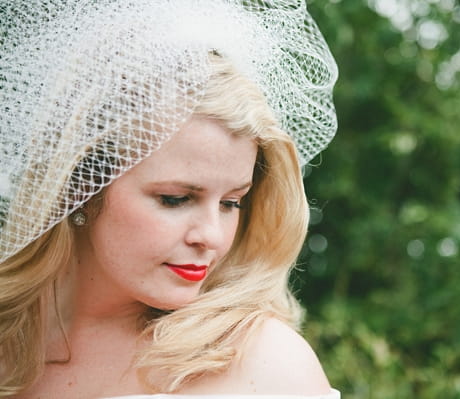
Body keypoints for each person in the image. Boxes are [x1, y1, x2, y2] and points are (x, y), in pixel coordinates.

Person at [0, 1, 339, 397]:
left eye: (232, 203)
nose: (211, 237)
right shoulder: (10, 338)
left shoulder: (263, 364)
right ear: (82, 185)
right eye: (176, 199)